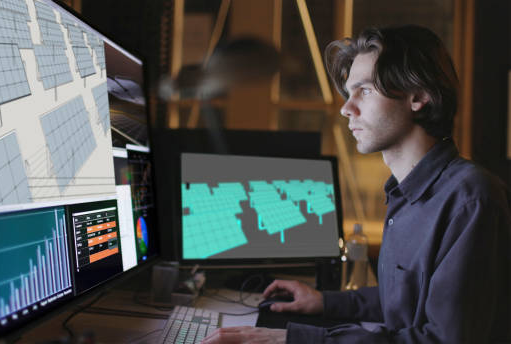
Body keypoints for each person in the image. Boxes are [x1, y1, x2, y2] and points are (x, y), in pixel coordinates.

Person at [202, 25, 511, 343]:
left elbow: (442, 339)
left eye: (364, 90)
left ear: (418, 96)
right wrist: (325, 301)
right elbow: (403, 305)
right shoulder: (402, 194)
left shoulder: (471, 199)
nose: (346, 108)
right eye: (349, 93)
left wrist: (285, 339)